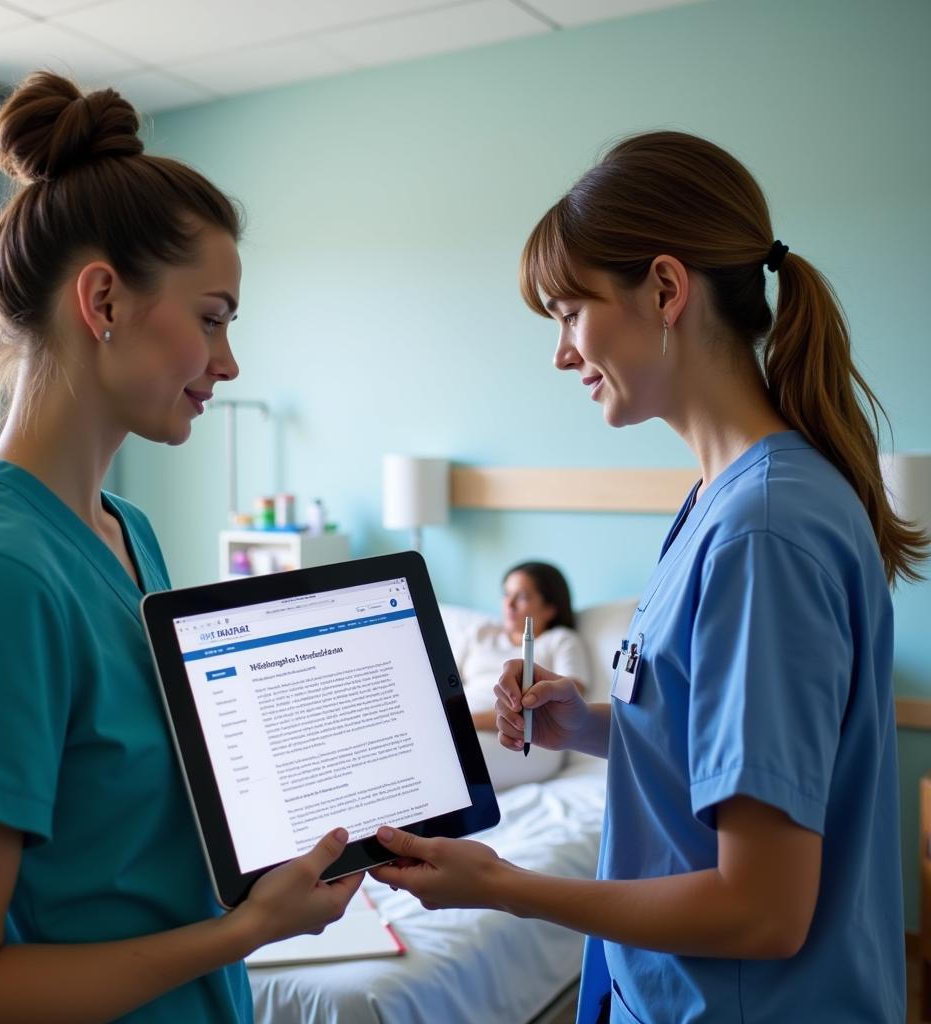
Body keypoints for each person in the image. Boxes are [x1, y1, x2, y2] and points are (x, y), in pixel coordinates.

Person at [370, 130, 927, 1022]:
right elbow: (717, 744)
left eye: (568, 311)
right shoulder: (717, 500)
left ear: (666, 289)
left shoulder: (764, 530)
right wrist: (588, 726)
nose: (560, 353)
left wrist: (505, 886)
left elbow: (763, 909)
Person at [0, 72, 360, 1024]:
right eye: (212, 317)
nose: (229, 364)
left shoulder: (125, 533)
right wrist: (248, 932)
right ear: (103, 299)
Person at [453, 561, 590, 788]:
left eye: (522, 597)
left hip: (527, 739)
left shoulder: (560, 640)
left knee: (456, 763)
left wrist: (463, 722)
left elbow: (571, 699)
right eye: (506, 594)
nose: (509, 604)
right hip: (461, 725)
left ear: (550, 608)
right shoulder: (480, 632)